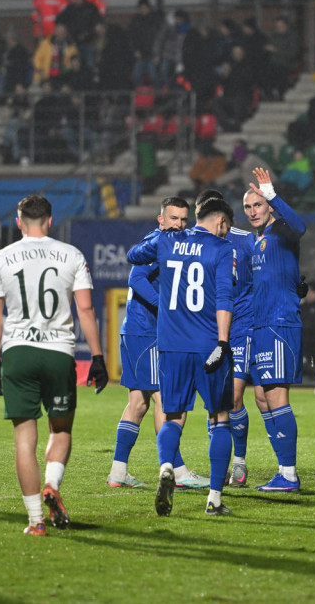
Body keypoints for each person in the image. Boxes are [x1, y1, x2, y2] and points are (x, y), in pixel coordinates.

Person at [0, 194, 109, 535]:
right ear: (50, 221)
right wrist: (98, 357)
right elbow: (86, 310)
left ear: (18, 221)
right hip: (59, 353)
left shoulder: (1, 258)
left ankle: (36, 521)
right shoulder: (71, 255)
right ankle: (52, 484)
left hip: (18, 353)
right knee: (61, 429)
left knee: (25, 439)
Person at [126, 197, 238, 516]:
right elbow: (224, 300)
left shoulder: (168, 241)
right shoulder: (221, 249)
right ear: (219, 222)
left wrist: (160, 236)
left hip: (171, 345)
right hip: (206, 345)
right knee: (219, 419)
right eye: (226, 226)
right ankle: (214, 499)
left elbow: (134, 256)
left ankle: (166, 468)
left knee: (173, 416)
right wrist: (223, 341)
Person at [109, 197, 208, 490]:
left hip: (139, 332)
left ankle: (118, 472)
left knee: (137, 403)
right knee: (165, 399)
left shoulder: (172, 242)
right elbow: (137, 278)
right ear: (160, 219)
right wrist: (164, 308)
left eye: (183, 219)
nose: (179, 224)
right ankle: (175, 470)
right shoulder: (158, 241)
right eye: (174, 218)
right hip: (147, 333)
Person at [243, 167, 306, 492]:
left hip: (280, 324)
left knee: (276, 395)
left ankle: (290, 474)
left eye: (258, 204)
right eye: (248, 207)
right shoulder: (258, 243)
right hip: (261, 327)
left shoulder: (282, 230)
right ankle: (284, 469)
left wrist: (273, 195)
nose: (253, 211)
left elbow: (301, 225)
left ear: (268, 206)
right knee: (261, 397)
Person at [194, 189, 257, 489]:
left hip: (240, 328)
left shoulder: (244, 241)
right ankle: (217, 467)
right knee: (212, 402)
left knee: (232, 398)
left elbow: (265, 275)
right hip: (208, 331)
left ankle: (240, 461)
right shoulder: (193, 243)